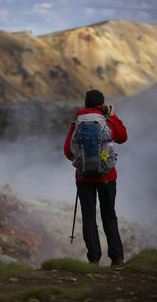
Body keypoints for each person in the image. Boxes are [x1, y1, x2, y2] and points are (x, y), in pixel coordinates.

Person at [64, 89, 127, 266]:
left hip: (84, 178)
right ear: (102, 104)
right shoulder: (107, 120)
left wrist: (82, 162)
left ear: (86, 103)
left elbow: (68, 151)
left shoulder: (78, 121)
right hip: (107, 177)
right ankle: (117, 258)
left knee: (89, 217)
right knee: (109, 215)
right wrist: (113, 116)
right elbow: (123, 137)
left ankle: (94, 259)